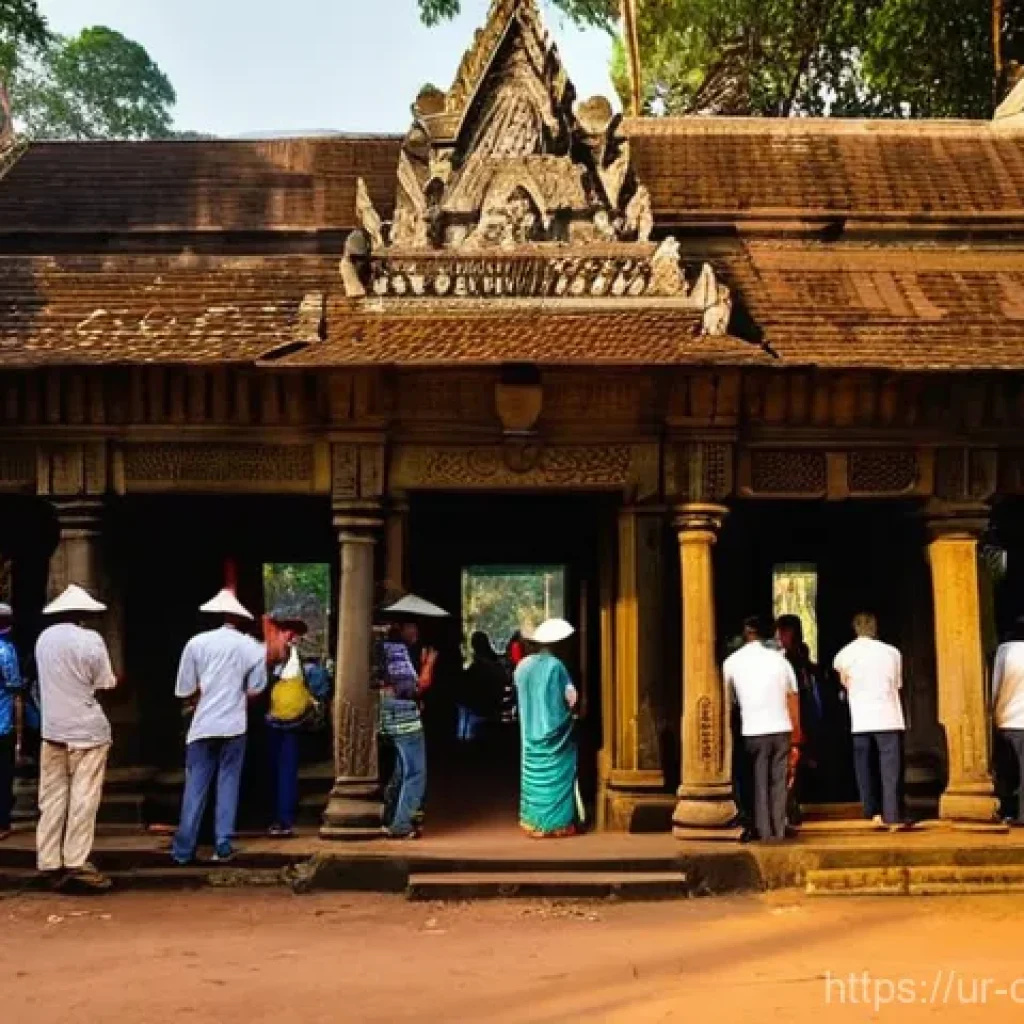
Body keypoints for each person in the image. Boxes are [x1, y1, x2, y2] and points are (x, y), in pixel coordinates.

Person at [171, 588, 271, 865]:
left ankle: (183, 850)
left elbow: (185, 689)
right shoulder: (251, 647)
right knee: (228, 783)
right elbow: (256, 688)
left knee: (195, 786)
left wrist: (201, 697)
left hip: (202, 724)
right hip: (234, 724)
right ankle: (223, 842)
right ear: (240, 619)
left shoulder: (196, 643)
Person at [34, 584, 117, 890]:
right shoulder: (91, 640)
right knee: (84, 798)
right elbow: (105, 682)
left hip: (53, 728)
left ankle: (48, 861)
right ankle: (76, 861)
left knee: (52, 798)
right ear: (82, 614)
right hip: (88, 729)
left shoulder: (43, 639)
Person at [374, 594, 445, 840]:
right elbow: (413, 689)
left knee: (401, 770)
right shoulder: (396, 652)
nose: (416, 631)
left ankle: (391, 817)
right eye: (412, 626)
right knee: (415, 772)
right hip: (402, 714)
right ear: (401, 627)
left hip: (389, 712)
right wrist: (429, 666)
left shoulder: (382, 648)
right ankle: (402, 824)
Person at [723, 616, 799, 843]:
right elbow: (792, 695)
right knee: (779, 782)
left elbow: (729, 700)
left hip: (753, 729)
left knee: (759, 782)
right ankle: (778, 830)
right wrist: (797, 733)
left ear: (745, 634)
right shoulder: (780, 661)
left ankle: (764, 831)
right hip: (781, 727)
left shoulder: (732, 662)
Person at [833, 612, 907, 831]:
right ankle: (892, 814)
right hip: (888, 716)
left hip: (861, 718)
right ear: (875, 628)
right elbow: (897, 683)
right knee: (890, 768)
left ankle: (871, 810)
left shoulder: (843, 654)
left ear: (855, 628)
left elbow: (844, 683)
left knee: (864, 767)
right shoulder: (892, 652)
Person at [513, 618, 580, 838]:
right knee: (558, 773)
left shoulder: (522, 666)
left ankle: (533, 822)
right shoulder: (556, 666)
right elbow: (571, 698)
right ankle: (558, 825)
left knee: (533, 776)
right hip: (555, 734)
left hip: (529, 733)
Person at [264, 606, 311, 839]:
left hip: (279, 720)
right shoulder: (286, 655)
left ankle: (282, 819)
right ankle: (282, 818)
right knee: (284, 770)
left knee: (282, 770)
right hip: (285, 719)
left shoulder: (281, 654)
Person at [992, 616, 1024, 826]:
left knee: (1007, 771)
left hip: (1008, 718)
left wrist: (991, 711)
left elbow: (996, 684)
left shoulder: (1005, 650)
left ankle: (1009, 811)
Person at [0, 601, 24, 841]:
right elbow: (15, 686)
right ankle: (2, 821)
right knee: (4, 774)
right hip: (2, 723)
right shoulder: (6, 651)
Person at [456, 631, 506, 742]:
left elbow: (467, 687)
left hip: (478, 712)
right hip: (494, 710)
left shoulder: (479, 666)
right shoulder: (496, 664)